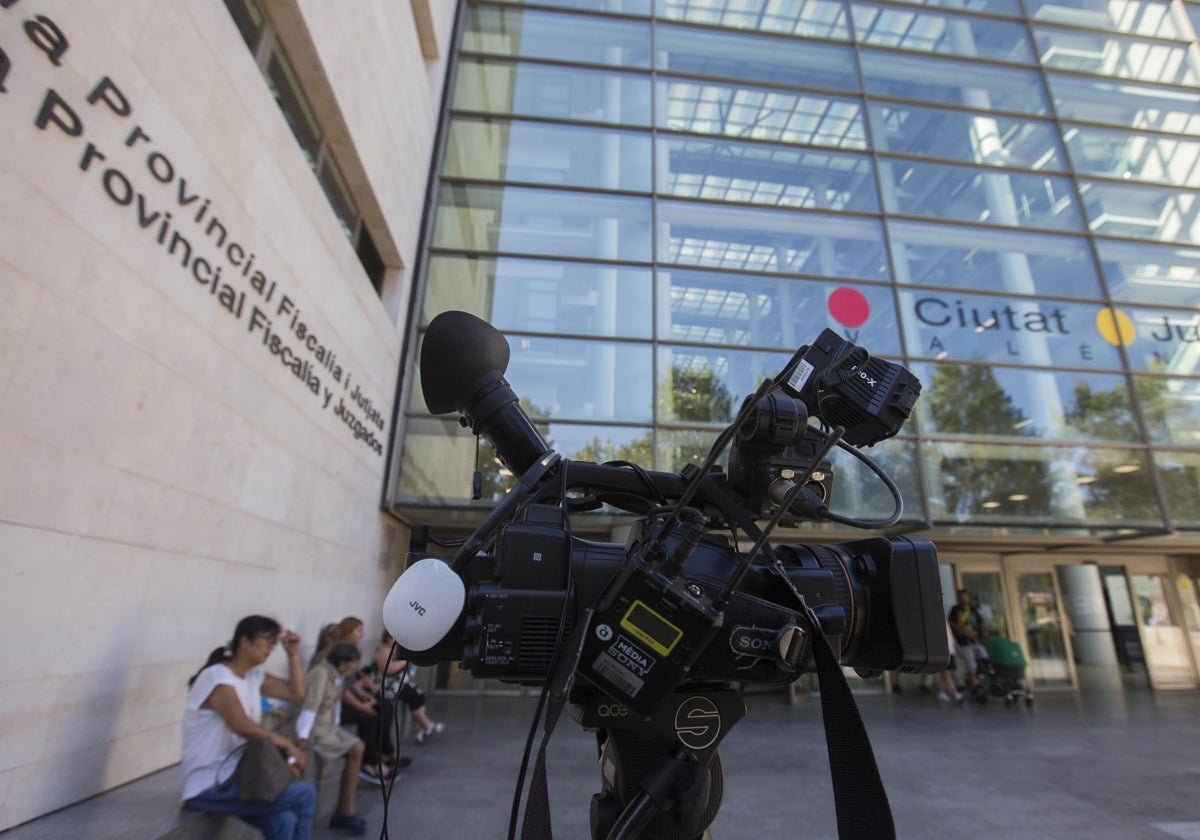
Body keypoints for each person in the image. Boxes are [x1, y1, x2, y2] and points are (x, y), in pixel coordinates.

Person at [181, 615, 316, 840]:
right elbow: (244, 727)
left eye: (274, 643)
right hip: (207, 784)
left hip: (237, 777)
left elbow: (296, 693)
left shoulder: (253, 676)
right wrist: (288, 746)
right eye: (267, 640)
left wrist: (292, 654)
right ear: (244, 641)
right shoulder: (217, 678)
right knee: (304, 795)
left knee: (284, 820)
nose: (271, 648)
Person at [296, 643, 369, 835]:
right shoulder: (321, 675)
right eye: (353, 663)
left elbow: (335, 704)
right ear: (343, 664)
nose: (355, 667)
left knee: (358, 746)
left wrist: (336, 728)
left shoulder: (337, 676)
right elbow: (309, 707)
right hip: (316, 730)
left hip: (328, 727)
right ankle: (346, 811)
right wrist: (302, 739)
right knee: (357, 747)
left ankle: (347, 809)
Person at [360, 630, 445, 745]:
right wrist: (405, 661)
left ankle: (421, 728)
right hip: (386, 685)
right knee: (412, 693)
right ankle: (425, 725)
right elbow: (388, 669)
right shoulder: (383, 650)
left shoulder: (393, 650)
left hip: (396, 683)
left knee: (417, 693)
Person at [948, 589, 989, 690]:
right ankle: (974, 684)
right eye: (961, 598)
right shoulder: (955, 609)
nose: (964, 600)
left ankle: (972, 679)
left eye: (965, 597)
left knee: (984, 659)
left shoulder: (972, 609)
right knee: (970, 662)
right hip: (963, 641)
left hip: (975, 640)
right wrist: (965, 633)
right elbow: (952, 624)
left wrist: (983, 635)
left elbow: (980, 623)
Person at [938, 621, 964, 703]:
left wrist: (958, 649)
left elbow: (952, 637)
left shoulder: (946, 622)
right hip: (945, 652)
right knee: (947, 673)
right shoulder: (937, 621)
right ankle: (956, 693)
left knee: (945, 674)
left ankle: (942, 692)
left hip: (950, 651)